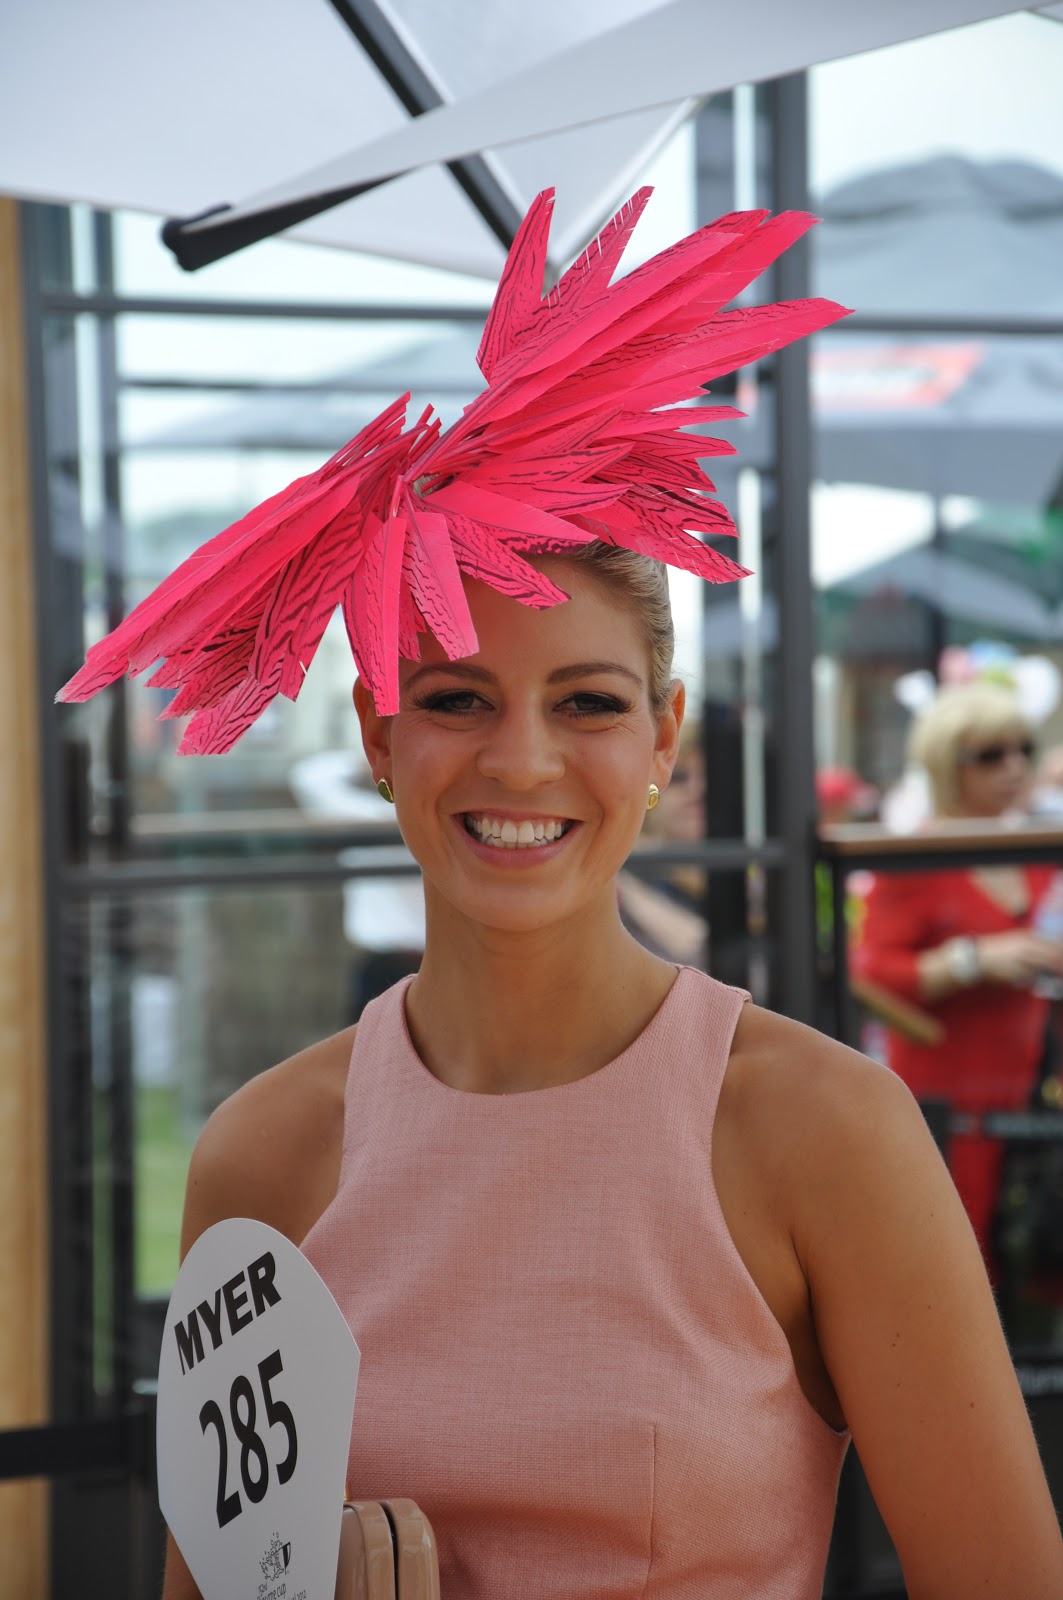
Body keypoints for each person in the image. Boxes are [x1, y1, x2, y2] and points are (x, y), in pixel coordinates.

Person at [59, 191, 1063, 1597]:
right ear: (379, 736)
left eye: (584, 702)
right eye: (456, 696)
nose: (519, 759)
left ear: (659, 740)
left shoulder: (820, 1129)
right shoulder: (259, 1157)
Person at [852, 681, 1063, 1273]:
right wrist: (972, 960)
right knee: (956, 1261)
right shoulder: (916, 858)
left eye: (1023, 749)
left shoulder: (1039, 849)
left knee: (1032, 1252)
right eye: (991, 755)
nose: (1014, 767)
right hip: (947, 1099)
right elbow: (870, 973)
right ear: (949, 765)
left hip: (1036, 1090)